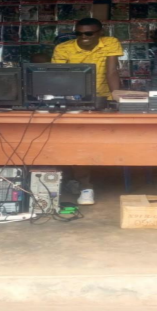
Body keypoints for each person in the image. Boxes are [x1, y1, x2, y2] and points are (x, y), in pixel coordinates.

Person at [51, 18, 123, 205]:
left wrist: (118, 98)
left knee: (109, 143)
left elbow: (112, 72)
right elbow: (58, 78)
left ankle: (84, 181)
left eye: (89, 33)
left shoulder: (110, 43)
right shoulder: (63, 48)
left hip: (104, 100)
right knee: (78, 143)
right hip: (74, 103)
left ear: (100, 32)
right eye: (79, 33)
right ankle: (85, 186)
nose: (83, 37)